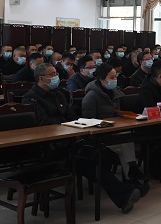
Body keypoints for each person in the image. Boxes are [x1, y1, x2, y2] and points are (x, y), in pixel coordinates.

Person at [23, 63, 143, 213]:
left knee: (95, 153)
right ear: (41, 78)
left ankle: (127, 189)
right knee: (87, 161)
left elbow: (71, 115)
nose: (56, 77)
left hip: (69, 140)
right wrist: (65, 126)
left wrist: (72, 126)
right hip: (50, 147)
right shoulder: (31, 98)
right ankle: (124, 193)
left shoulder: (58, 94)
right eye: (52, 75)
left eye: (56, 74)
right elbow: (43, 124)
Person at [81, 63, 147, 183]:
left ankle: (131, 176)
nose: (115, 79)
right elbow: (88, 121)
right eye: (111, 77)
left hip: (116, 131)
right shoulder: (91, 96)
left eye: (115, 76)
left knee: (125, 138)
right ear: (102, 79)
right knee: (125, 142)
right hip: (100, 136)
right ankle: (132, 173)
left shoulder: (115, 91)